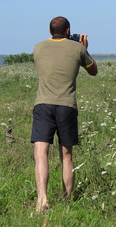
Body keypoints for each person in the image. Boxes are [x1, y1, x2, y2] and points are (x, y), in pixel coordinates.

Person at [31, 16, 97, 212]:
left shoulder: (38, 47)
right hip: (67, 106)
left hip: (42, 105)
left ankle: (41, 200)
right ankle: (67, 199)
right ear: (69, 31)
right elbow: (93, 71)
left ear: (50, 31)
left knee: (40, 153)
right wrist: (85, 48)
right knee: (66, 155)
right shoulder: (78, 49)